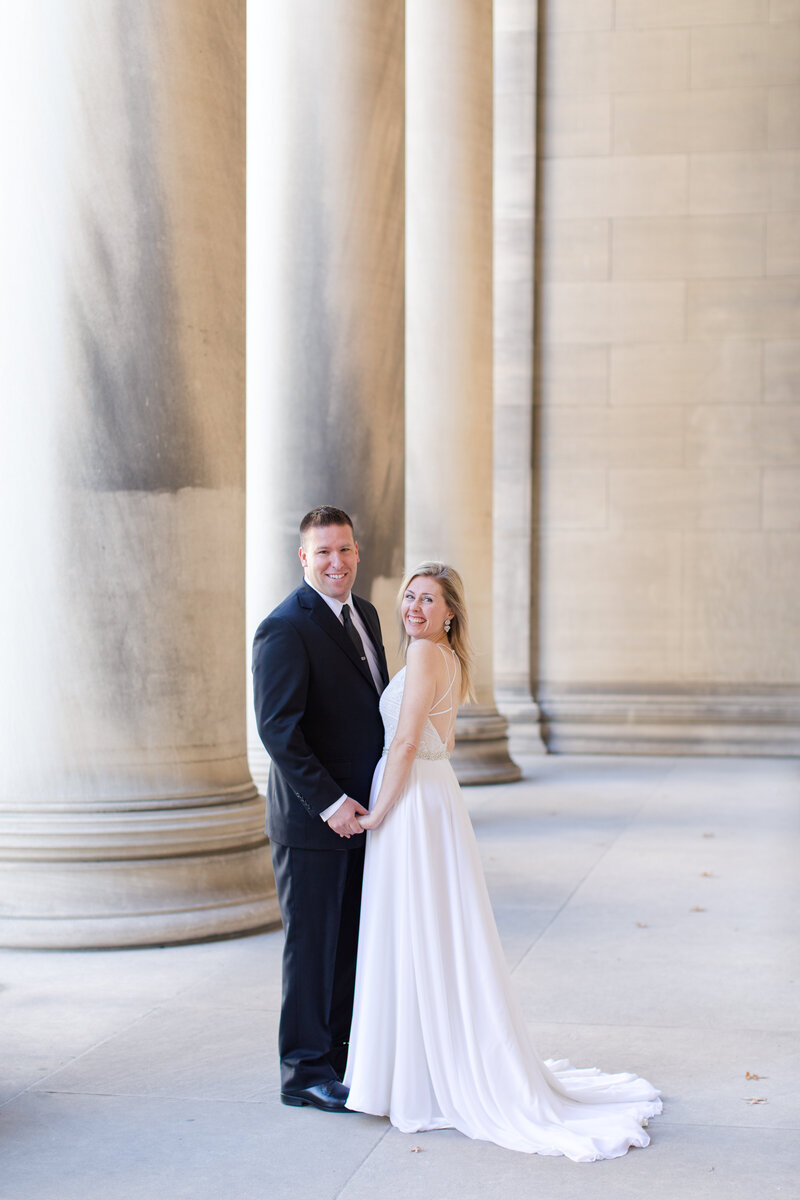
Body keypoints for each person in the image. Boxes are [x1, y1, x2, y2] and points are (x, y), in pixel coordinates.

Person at [343, 562, 662, 1160]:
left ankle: (420, 1076)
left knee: (419, 931)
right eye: (409, 597)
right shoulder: (447, 659)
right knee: (429, 931)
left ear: (450, 612)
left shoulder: (426, 654)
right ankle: (418, 1066)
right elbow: (443, 740)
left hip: (411, 803)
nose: (413, 607)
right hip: (430, 796)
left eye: (428, 600)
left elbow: (409, 741)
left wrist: (378, 812)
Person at [252, 506, 389, 1113]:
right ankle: (302, 1071)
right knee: (311, 949)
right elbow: (280, 731)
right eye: (324, 553)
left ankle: (335, 1059)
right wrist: (331, 802)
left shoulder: (366, 613)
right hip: (314, 821)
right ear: (304, 558)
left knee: (347, 946)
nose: (337, 563)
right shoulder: (285, 626)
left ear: (357, 553)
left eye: (346, 551)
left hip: (364, 817)